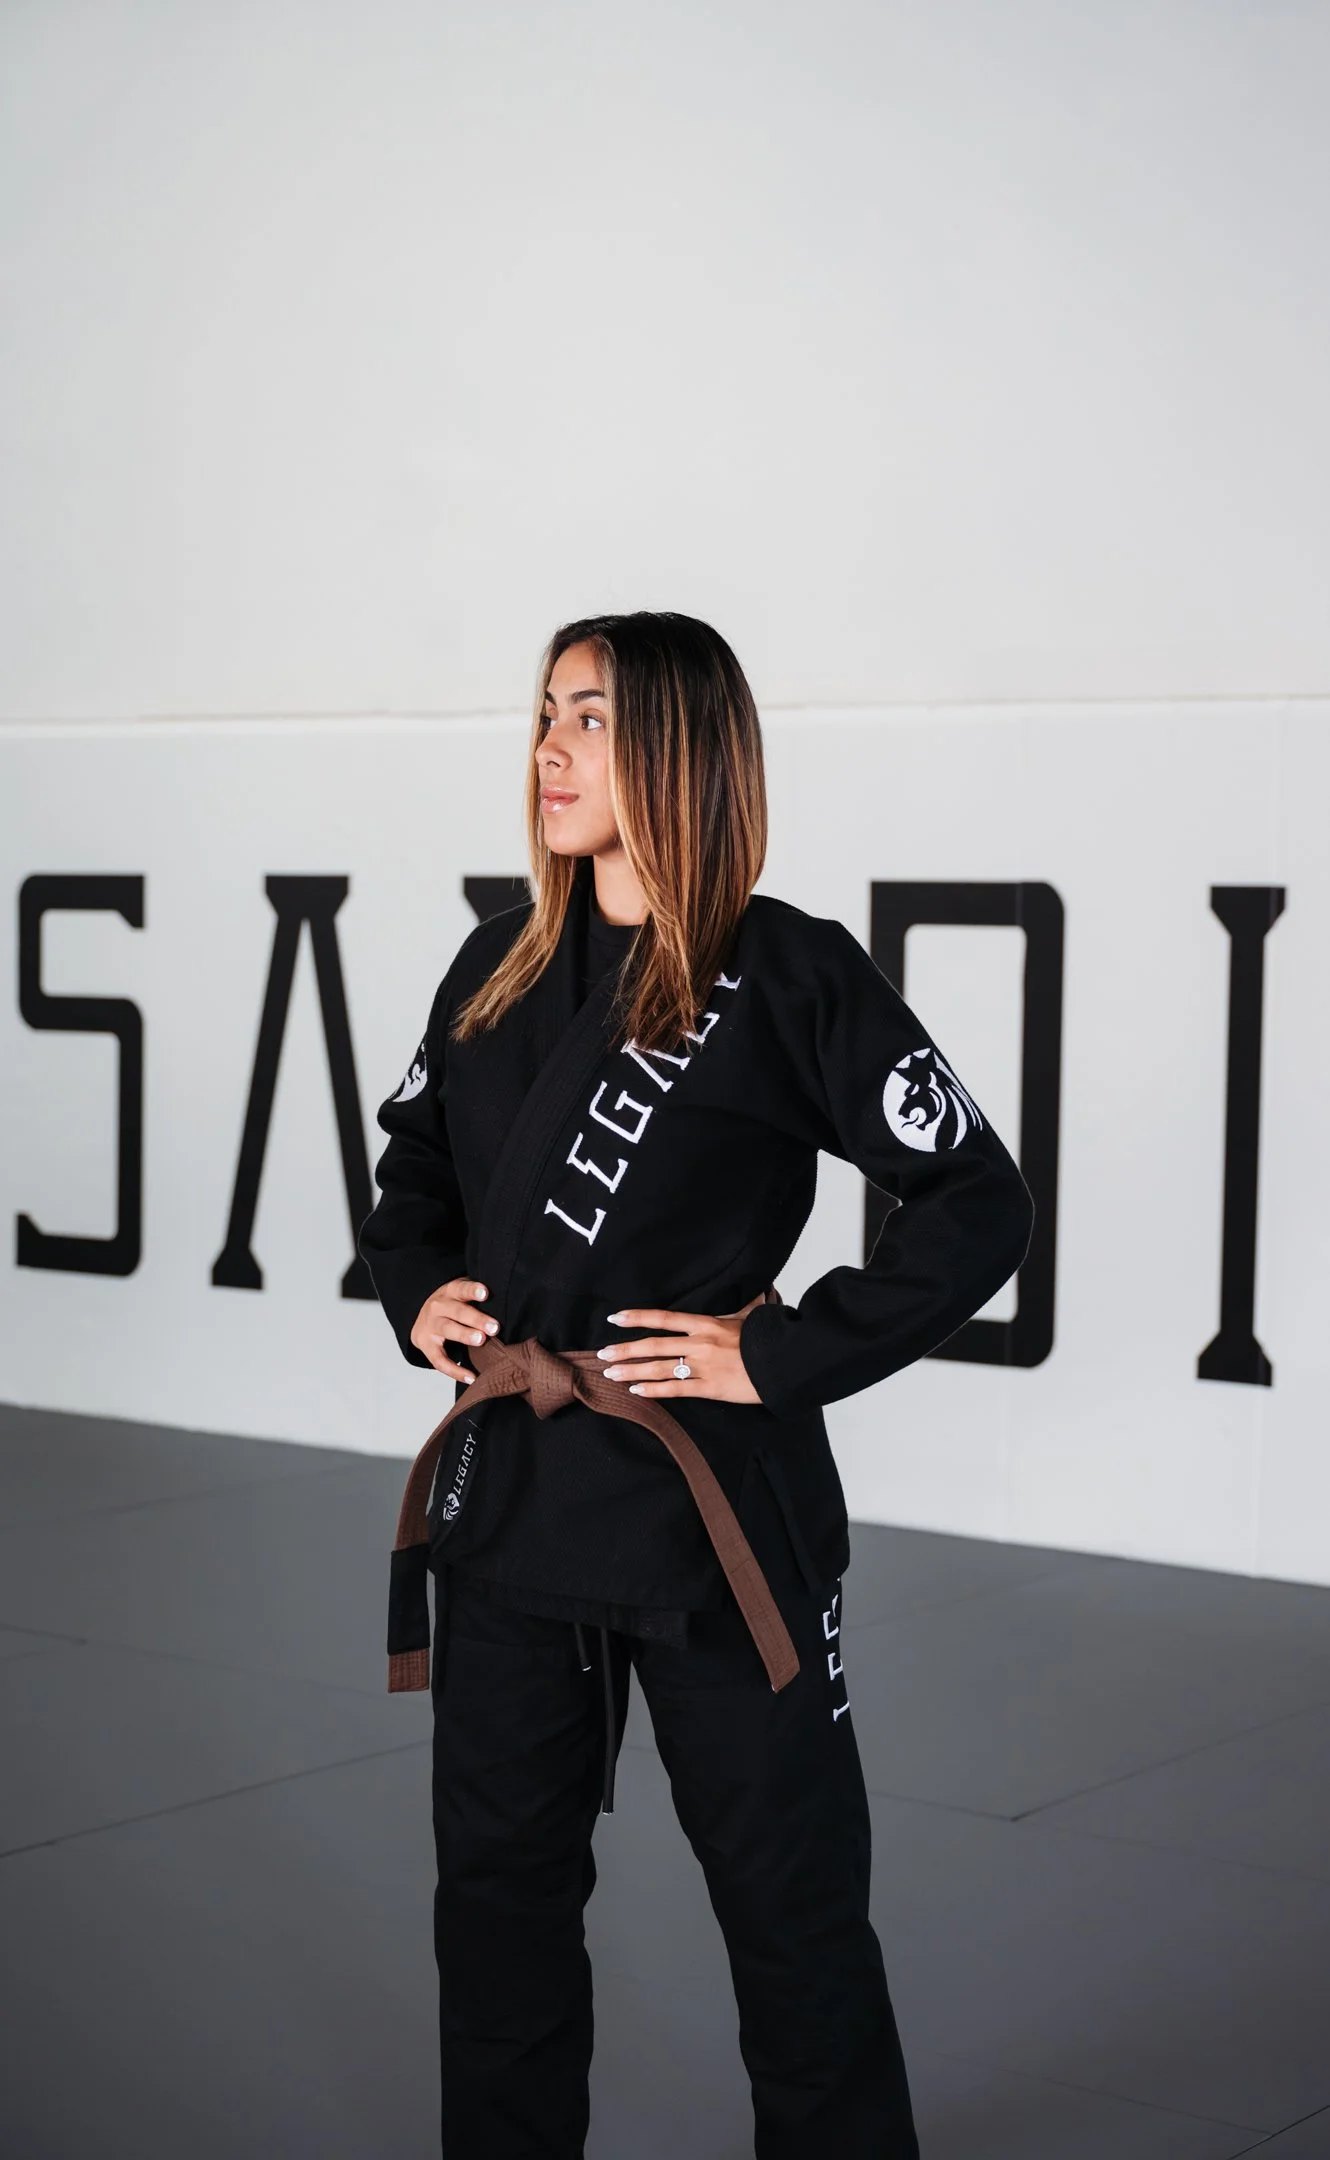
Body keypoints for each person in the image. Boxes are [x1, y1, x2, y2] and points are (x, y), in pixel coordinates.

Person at [358, 610, 1034, 2160]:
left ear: (675, 745)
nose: (545, 745)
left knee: (791, 1912)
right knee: (497, 1909)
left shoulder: (787, 972)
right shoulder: (497, 965)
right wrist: (417, 1296)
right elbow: (409, 1177)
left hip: (717, 1519)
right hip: (514, 1515)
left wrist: (778, 1352)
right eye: (541, 711)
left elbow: (975, 1200)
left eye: (586, 717)